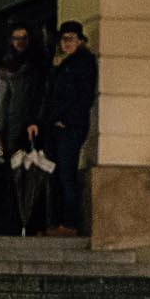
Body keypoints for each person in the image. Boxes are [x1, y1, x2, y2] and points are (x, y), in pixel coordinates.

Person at [28, 20, 98, 236]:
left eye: (70, 39)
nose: (66, 43)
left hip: (69, 126)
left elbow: (83, 96)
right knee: (54, 175)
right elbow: (48, 95)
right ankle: (55, 222)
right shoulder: (60, 64)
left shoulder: (84, 62)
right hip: (54, 126)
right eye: (64, 39)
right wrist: (39, 121)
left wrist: (66, 119)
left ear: (80, 40)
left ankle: (70, 223)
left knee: (66, 174)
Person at [0, 24, 47, 233]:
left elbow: (41, 97)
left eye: (24, 38)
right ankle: (16, 223)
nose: (20, 43)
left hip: (31, 127)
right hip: (12, 130)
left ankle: (32, 223)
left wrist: (36, 120)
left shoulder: (37, 65)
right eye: (16, 38)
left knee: (33, 175)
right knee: (14, 177)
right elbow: (2, 101)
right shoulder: (6, 67)